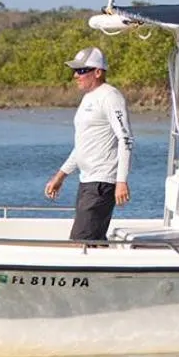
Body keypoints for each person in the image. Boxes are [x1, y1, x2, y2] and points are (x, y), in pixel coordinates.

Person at [44, 46, 133, 242]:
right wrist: (61, 175)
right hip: (87, 181)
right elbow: (83, 145)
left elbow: (125, 139)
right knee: (92, 240)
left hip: (102, 182)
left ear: (98, 72)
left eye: (82, 71)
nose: (76, 75)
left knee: (80, 242)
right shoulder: (87, 99)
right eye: (75, 71)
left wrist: (121, 181)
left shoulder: (111, 96)